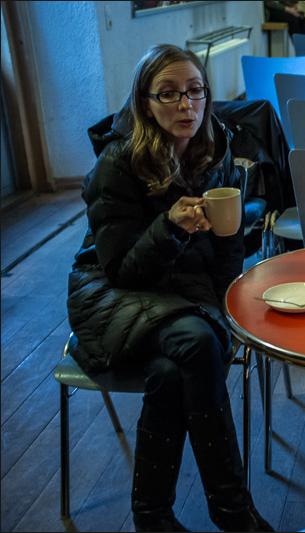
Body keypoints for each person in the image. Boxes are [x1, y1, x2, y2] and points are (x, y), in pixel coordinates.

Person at [67, 44, 273, 532]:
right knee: (197, 342)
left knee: (171, 369)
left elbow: (226, 260)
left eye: (196, 91)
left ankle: (152, 516)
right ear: (144, 102)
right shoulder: (118, 163)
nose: (186, 105)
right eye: (169, 94)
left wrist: (226, 278)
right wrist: (171, 228)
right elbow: (122, 271)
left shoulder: (216, 150)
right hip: (111, 295)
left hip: (184, 295)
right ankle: (233, 509)